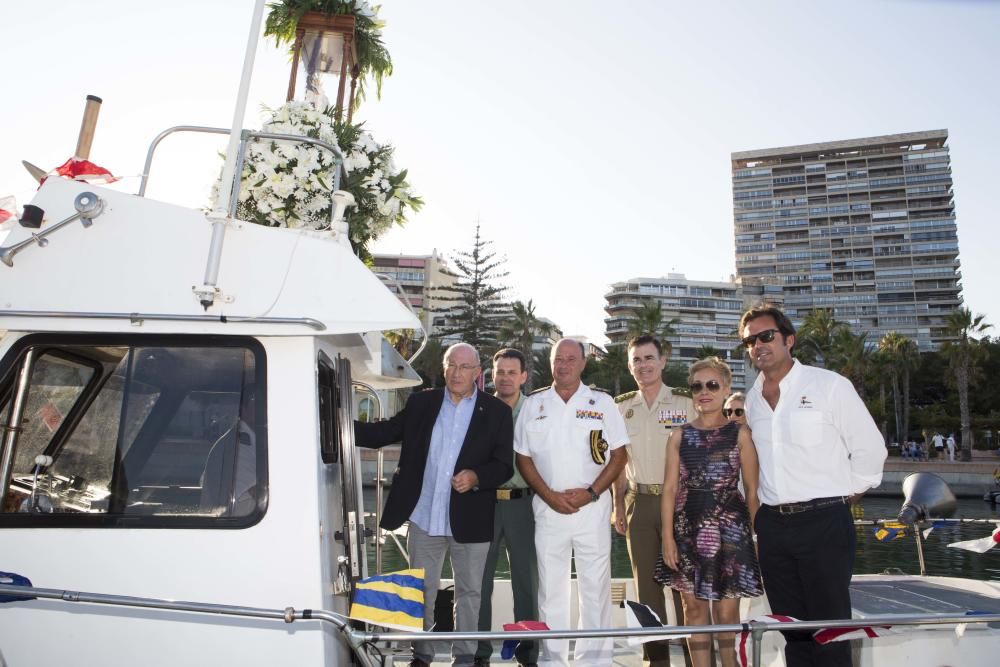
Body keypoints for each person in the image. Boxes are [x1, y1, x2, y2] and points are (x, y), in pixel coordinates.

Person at [740, 305, 886, 667]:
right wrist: (759, 522)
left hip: (824, 523)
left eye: (766, 336)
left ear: (789, 339)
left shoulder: (829, 385)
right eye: (749, 341)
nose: (758, 345)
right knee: (791, 631)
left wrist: (842, 497)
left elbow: (870, 450)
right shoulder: (752, 399)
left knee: (830, 632)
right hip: (774, 526)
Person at [354, 342, 514, 667]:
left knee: (469, 595)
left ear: (476, 373)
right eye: (451, 365)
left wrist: (476, 476)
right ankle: (421, 656)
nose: (457, 372)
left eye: (464, 367)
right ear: (444, 368)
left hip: (471, 521)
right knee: (421, 592)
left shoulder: (496, 412)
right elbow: (382, 433)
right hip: (425, 517)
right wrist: (331, 421)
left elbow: (504, 466)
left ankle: (465, 659)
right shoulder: (422, 403)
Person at [514, 338, 629, 667]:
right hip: (548, 509)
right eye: (557, 359)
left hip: (592, 508)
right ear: (549, 363)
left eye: (570, 359)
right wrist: (549, 495)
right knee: (551, 590)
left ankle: (594, 662)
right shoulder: (533, 405)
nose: (562, 365)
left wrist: (591, 492)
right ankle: (553, 662)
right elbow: (523, 458)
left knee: (595, 589)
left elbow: (619, 456)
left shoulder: (602, 402)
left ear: (582, 364)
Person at [655, 357, 763, 667]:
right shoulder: (679, 435)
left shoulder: (740, 435)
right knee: (694, 610)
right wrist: (667, 538)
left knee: (727, 613)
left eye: (712, 385)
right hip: (689, 528)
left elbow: (752, 491)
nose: (704, 391)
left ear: (726, 388)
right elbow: (670, 490)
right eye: (697, 386)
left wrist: (758, 538)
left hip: (732, 530)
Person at [612, 334, 694, 667]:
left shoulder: (685, 403)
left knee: (686, 592)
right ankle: (657, 661)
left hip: (680, 503)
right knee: (647, 592)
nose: (643, 366)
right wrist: (618, 506)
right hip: (639, 502)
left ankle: (696, 661)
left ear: (663, 361)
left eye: (649, 358)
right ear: (630, 366)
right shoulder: (621, 407)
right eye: (636, 360)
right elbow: (617, 462)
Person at [476, 348, 538, 667]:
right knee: (478, 582)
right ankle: (478, 653)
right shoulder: (479, 407)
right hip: (484, 503)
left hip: (523, 503)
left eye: (512, 372)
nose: (505, 378)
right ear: (492, 374)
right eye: (500, 372)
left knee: (526, 583)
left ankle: (528, 655)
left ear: (524, 376)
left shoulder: (536, 410)